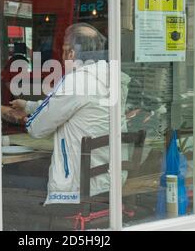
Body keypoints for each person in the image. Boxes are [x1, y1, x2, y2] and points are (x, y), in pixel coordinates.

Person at [11, 23, 131, 205]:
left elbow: (36, 128)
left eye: (63, 50)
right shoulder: (112, 78)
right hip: (111, 180)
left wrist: (22, 117)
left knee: (9, 181)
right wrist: (28, 106)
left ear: (71, 53)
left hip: (75, 188)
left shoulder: (75, 81)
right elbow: (70, 107)